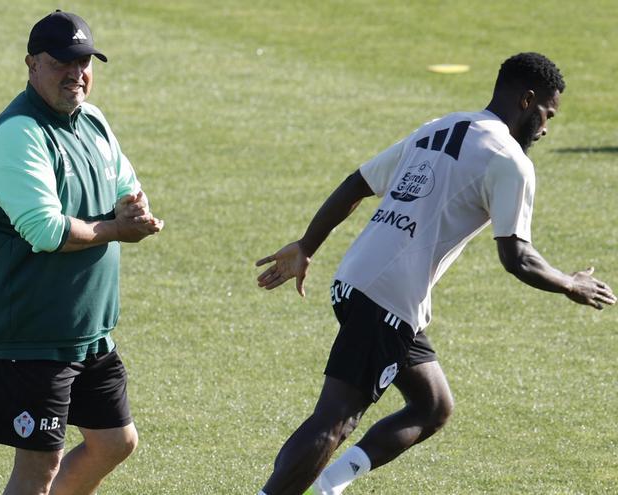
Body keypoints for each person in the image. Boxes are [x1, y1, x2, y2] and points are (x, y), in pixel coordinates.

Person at [254, 52, 615, 495]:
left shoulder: (439, 126)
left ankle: (331, 482)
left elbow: (357, 183)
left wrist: (308, 245)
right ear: (527, 99)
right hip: (389, 295)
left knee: (433, 405)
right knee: (336, 418)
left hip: (357, 281)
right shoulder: (510, 161)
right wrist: (570, 283)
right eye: (547, 113)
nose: (545, 127)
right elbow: (517, 257)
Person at [0, 10, 164, 495]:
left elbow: (125, 186)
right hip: (34, 336)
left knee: (115, 441)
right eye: (62, 62)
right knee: (39, 466)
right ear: (32, 64)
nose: (76, 73)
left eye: (84, 62)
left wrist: (135, 211)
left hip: (88, 333)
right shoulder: (19, 133)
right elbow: (46, 231)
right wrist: (119, 230)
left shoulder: (93, 123)